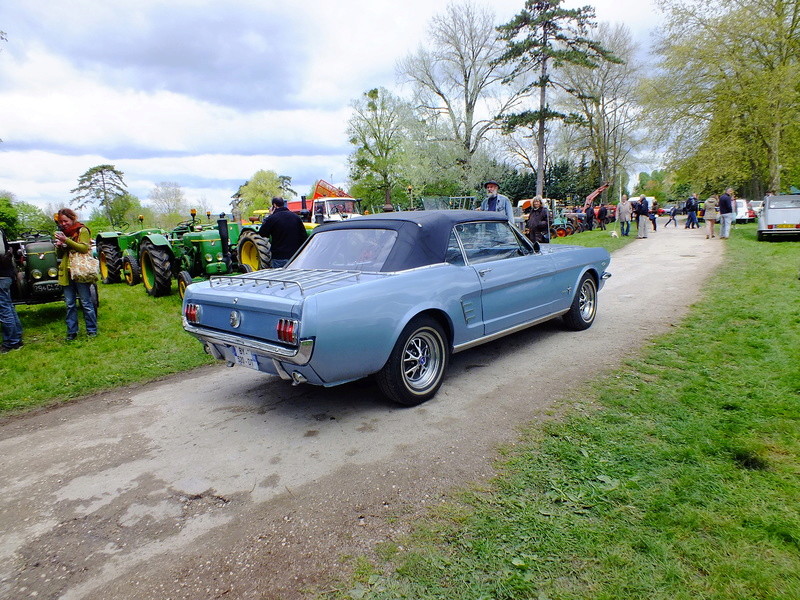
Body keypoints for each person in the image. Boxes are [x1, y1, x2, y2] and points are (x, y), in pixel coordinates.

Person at [54, 208, 98, 341]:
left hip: (80, 271)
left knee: (85, 302)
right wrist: (60, 245)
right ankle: (72, 332)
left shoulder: (82, 230)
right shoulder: (63, 233)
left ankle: (92, 330)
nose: (63, 224)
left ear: (72, 218)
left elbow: (84, 248)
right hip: (67, 272)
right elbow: (60, 255)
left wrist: (66, 241)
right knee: (69, 304)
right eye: (61, 221)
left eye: (65, 221)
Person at [257, 197, 308, 268]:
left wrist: (269, 216)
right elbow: (304, 236)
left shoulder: (272, 219)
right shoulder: (296, 217)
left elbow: (262, 233)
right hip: (295, 256)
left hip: (279, 258)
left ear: (274, 205)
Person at [1, 226, 24, 353]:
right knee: (8, 307)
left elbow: (1, 253)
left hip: (1, 275)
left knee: (4, 310)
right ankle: (17, 337)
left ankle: (11, 342)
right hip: (5, 274)